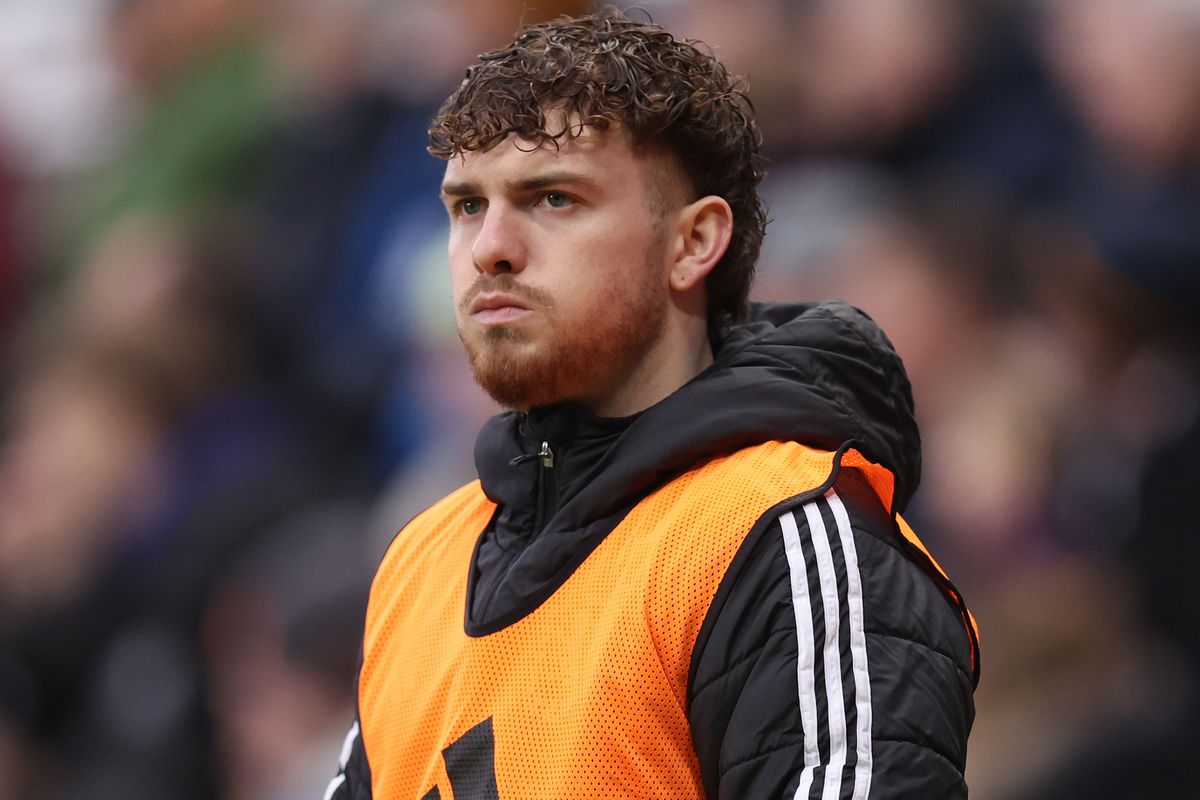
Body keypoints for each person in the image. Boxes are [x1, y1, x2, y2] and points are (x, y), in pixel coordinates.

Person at [325, 9, 979, 799]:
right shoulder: (421, 558)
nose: (489, 247)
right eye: (467, 206)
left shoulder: (789, 533)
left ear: (694, 243)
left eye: (554, 198)